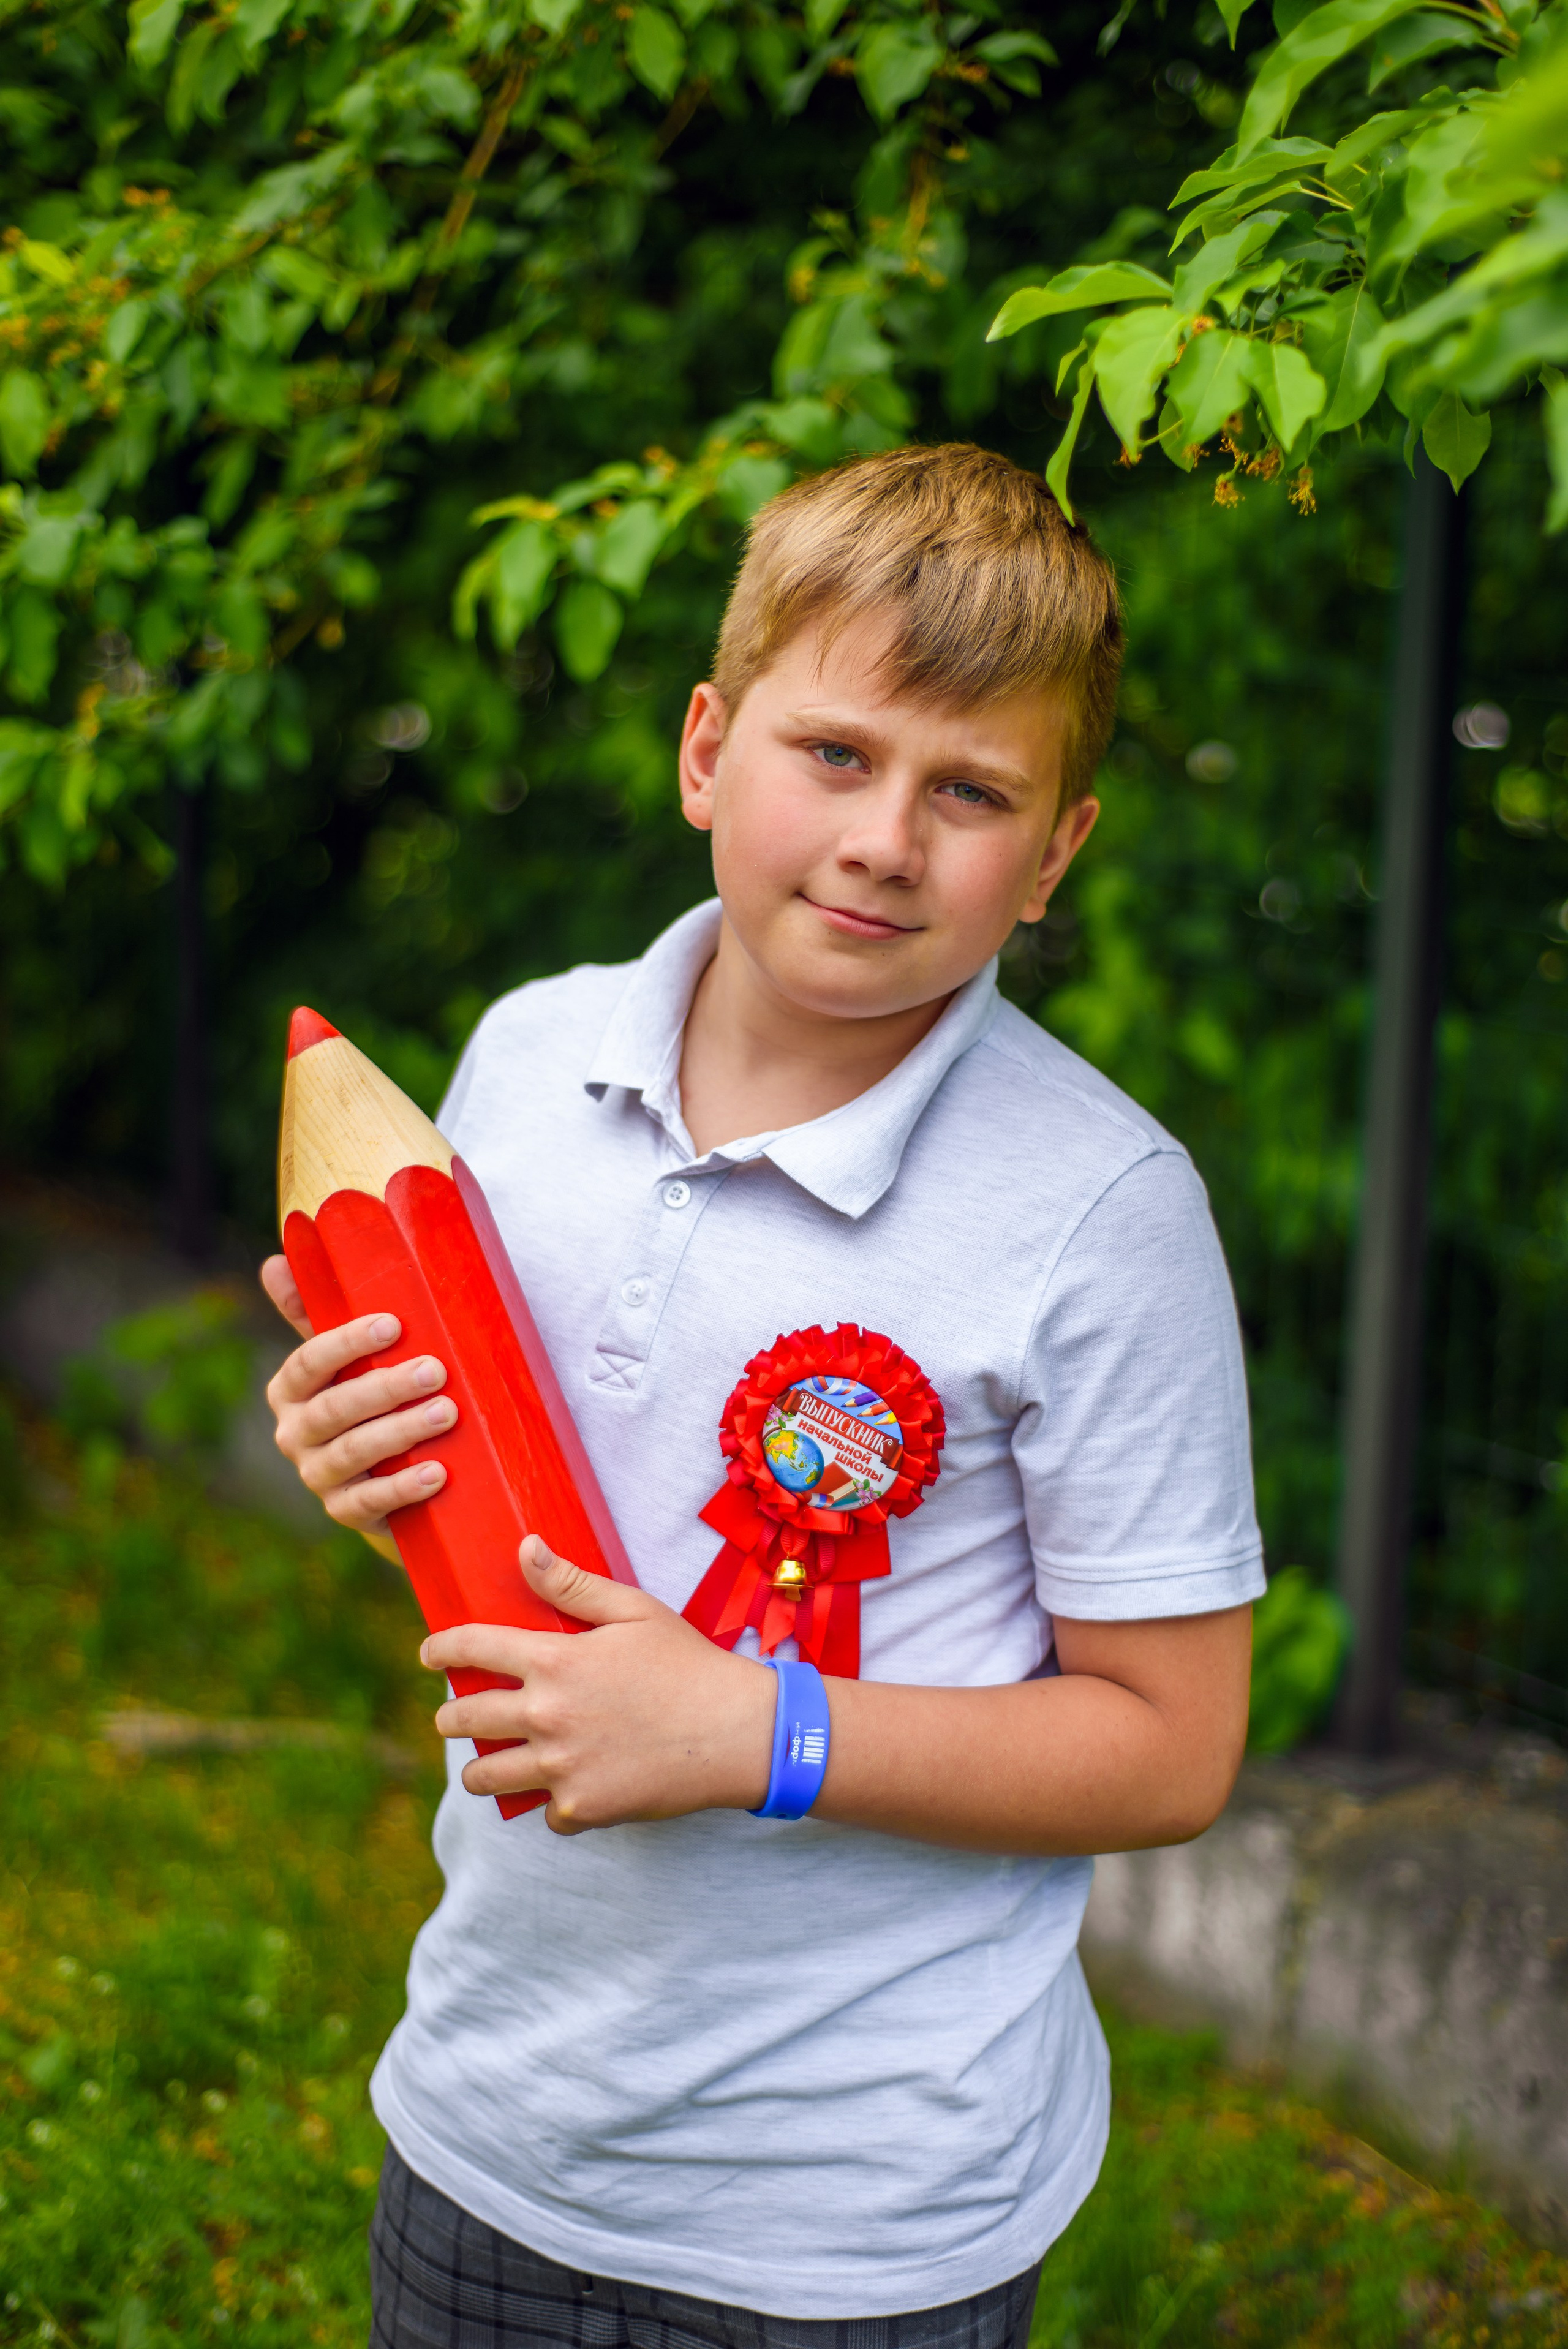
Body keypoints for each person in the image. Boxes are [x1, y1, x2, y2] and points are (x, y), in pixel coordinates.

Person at [261, 443, 1262, 2349]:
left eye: (970, 792)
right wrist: (353, 1446)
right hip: (496, 2113)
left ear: (1054, 855)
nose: (888, 836)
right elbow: (492, 1507)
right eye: (838, 754)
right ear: (707, 749)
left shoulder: (1103, 1215)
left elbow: (1172, 1745)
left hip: (864, 2218)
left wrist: (758, 1727)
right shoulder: (523, 1057)